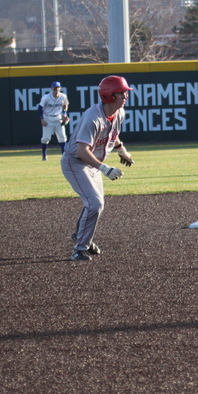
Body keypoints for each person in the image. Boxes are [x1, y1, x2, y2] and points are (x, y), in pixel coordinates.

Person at [61, 75, 135, 261]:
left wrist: (121, 149)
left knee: (94, 204)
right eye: (121, 93)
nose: (125, 96)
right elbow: (82, 150)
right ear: (109, 95)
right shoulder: (92, 118)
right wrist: (104, 168)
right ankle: (79, 249)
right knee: (95, 203)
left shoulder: (119, 113)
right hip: (76, 162)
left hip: (92, 163)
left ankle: (80, 236)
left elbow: (112, 134)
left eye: (126, 92)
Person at [39, 81, 70, 161]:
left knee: (62, 137)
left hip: (58, 118)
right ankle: (44, 155)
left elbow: (65, 104)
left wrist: (64, 113)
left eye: (57, 87)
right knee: (45, 138)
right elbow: (39, 108)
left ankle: (64, 156)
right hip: (48, 118)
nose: (56, 89)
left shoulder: (63, 96)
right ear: (51, 88)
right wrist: (42, 119)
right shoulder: (46, 97)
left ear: (60, 88)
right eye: (54, 88)